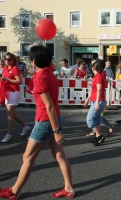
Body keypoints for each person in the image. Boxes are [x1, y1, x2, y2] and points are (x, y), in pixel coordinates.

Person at [0, 45, 75, 199]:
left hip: (46, 121)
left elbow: (49, 106)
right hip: (55, 119)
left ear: (33, 61)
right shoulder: (50, 74)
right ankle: (69, 188)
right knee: (60, 155)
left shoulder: (41, 77)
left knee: (28, 157)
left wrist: (56, 131)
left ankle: (14, 191)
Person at [0, 52, 31, 143]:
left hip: (13, 92)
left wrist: (7, 79)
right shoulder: (5, 68)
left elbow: (19, 81)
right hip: (6, 92)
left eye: (9, 59)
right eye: (5, 59)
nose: (7, 61)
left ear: (13, 60)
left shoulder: (15, 69)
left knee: (9, 115)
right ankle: (25, 127)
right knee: (12, 114)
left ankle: (9, 134)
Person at [84, 60, 108, 146]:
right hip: (96, 100)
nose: (91, 67)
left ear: (94, 67)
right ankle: (98, 137)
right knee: (96, 119)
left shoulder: (98, 76)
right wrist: (87, 99)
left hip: (98, 101)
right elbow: (93, 90)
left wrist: (97, 103)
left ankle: (99, 136)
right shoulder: (96, 76)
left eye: (92, 66)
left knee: (90, 120)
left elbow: (99, 90)